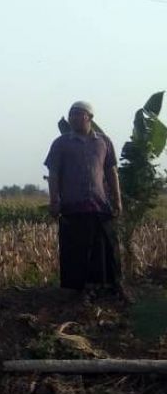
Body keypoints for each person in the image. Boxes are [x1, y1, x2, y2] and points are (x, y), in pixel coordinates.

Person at [45, 101, 127, 302]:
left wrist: (117, 198)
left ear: (89, 117)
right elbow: (53, 173)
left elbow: (111, 171)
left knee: (108, 248)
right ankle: (80, 291)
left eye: (78, 114)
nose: (73, 118)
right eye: (71, 115)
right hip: (73, 205)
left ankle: (113, 286)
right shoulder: (61, 143)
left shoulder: (103, 142)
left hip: (100, 204)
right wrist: (54, 200)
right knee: (77, 250)